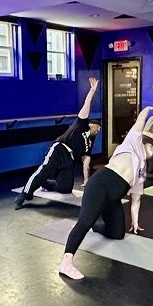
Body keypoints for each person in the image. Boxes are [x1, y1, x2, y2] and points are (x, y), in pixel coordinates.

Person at [58, 105, 153, 280]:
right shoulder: (131, 144)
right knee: (84, 222)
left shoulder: (141, 171)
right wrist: (148, 109)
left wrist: (135, 223)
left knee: (117, 233)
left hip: (113, 199)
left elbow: (136, 199)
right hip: (99, 186)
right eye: (152, 146)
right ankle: (66, 263)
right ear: (144, 143)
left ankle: (95, 227)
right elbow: (140, 122)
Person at [15, 77, 101, 208]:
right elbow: (87, 103)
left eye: (100, 129)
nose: (99, 129)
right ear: (91, 124)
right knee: (44, 170)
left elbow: (86, 160)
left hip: (69, 160)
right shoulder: (81, 124)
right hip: (59, 149)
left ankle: (47, 184)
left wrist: (86, 179)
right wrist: (92, 90)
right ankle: (24, 194)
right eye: (97, 127)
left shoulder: (90, 141)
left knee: (65, 188)